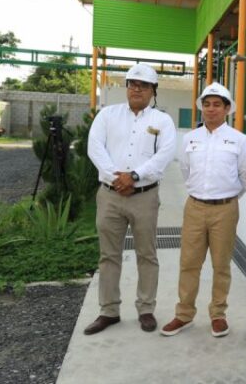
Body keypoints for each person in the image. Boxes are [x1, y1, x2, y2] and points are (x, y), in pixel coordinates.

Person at [85, 63, 176, 335]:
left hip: (144, 197)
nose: (137, 89)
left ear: (153, 91)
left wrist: (134, 176)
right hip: (110, 195)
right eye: (132, 84)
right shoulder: (107, 115)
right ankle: (108, 311)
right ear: (126, 87)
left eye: (143, 85)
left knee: (147, 254)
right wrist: (117, 177)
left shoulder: (162, 121)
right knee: (108, 255)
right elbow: (94, 147)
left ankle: (146, 309)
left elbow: (165, 155)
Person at [160, 83, 246, 338]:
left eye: (217, 104)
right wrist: (201, 193)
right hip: (195, 207)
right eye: (207, 104)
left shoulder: (240, 140)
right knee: (189, 263)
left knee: (221, 265)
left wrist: (228, 196)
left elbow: (245, 176)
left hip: (225, 209)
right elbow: (185, 170)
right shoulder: (190, 139)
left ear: (227, 109)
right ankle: (184, 314)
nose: (211, 109)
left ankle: (218, 315)